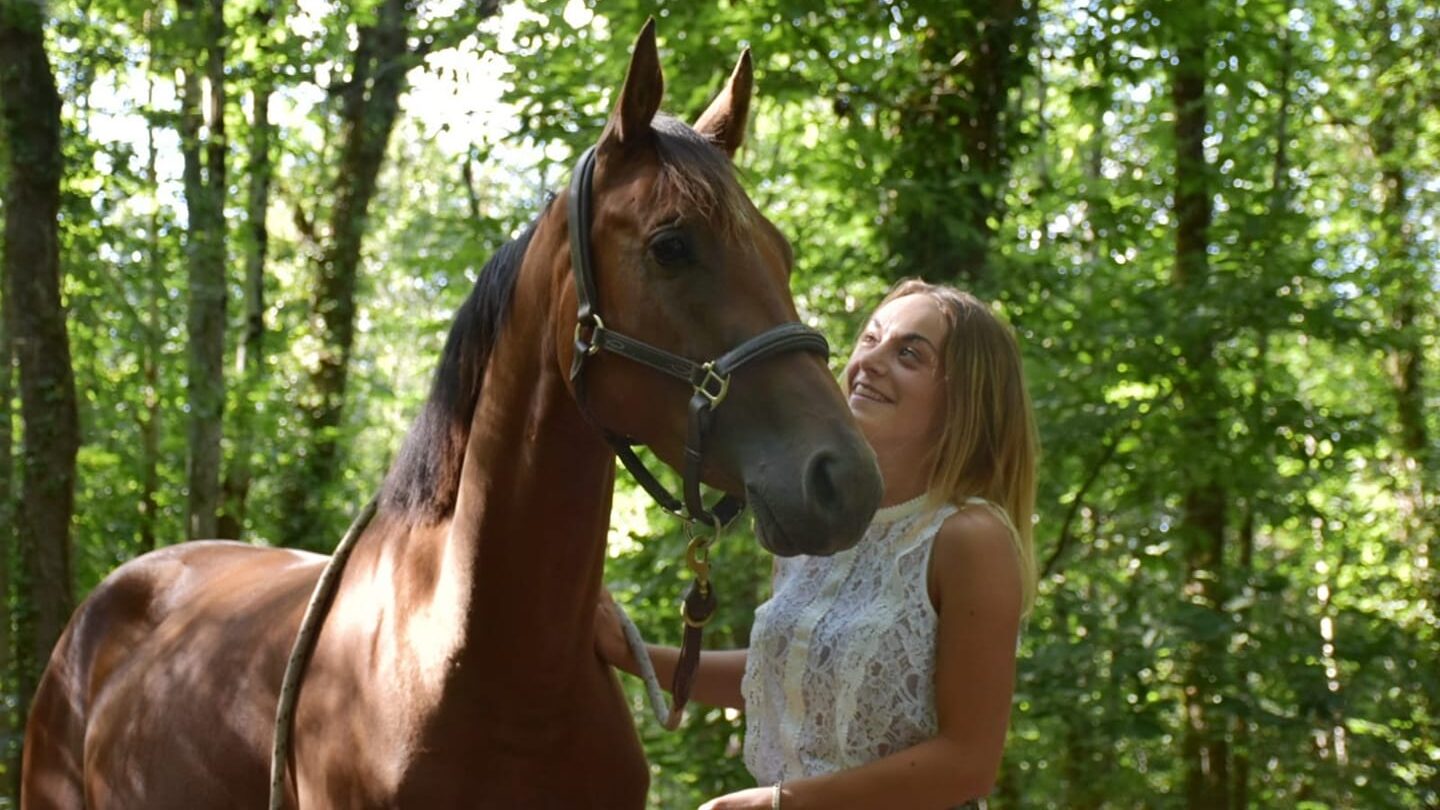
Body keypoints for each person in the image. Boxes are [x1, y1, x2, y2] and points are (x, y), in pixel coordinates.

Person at [596, 279, 1039, 810]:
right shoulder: (818, 521)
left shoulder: (969, 538)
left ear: (966, 398)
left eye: (909, 354)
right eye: (871, 339)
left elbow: (968, 763)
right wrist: (632, 653)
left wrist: (780, 803)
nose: (871, 361)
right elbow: (783, 672)